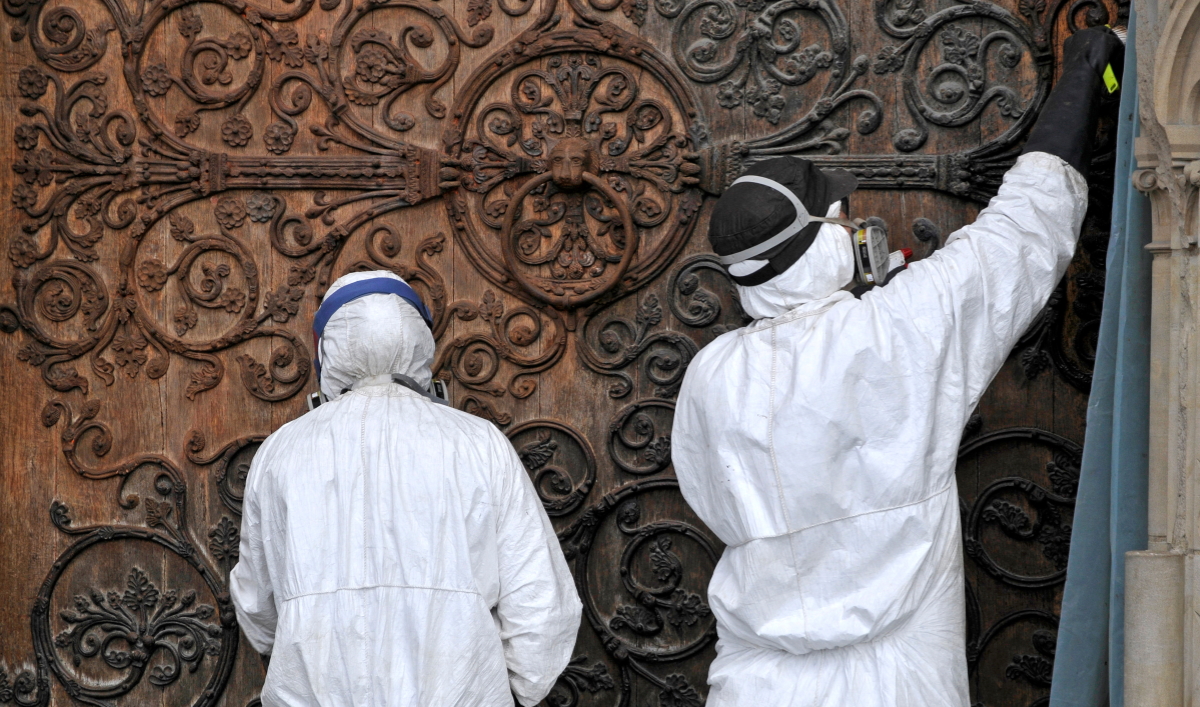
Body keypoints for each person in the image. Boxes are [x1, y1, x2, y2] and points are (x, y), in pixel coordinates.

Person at [670, 26, 1124, 706]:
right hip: (900, 677)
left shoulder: (710, 377)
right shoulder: (896, 327)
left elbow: (713, 497)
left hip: (755, 681)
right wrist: (1088, 71)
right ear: (819, 241)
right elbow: (1024, 229)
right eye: (841, 216)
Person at [229, 270, 582, 707]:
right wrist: (508, 690)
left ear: (327, 348)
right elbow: (539, 602)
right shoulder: (479, 442)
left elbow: (256, 605)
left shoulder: (280, 452)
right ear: (418, 342)